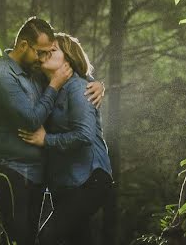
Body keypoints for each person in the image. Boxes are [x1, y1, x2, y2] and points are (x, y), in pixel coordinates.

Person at [0, 18, 105, 245]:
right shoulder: (3, 76)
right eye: (40, 52)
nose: (43, 58)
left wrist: (96, 83)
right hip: (12, 169)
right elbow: (31, 119)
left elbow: (72, 71)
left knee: (32, 238)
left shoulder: (35, 70)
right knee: (19, 238)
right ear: (23, 46)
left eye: (48, 52)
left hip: (40, 174)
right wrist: (54, 86)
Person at [18, 32, 114, 245]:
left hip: (90, 179)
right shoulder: (46, 89)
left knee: (47, 238)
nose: (46, 54)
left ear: (67, 59)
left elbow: (85, 135)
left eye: (54, 50)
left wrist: (46, 140)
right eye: (44, 51)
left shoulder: (79, 88)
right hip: (64, 184)